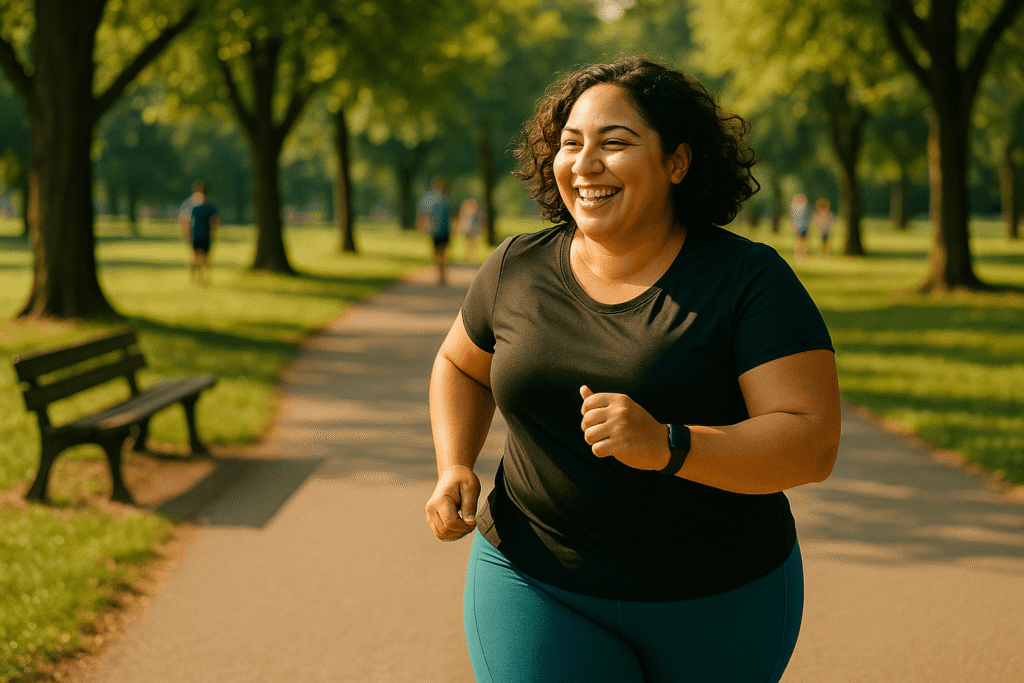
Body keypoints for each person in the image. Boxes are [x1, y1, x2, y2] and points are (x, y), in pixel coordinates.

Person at [425, 56, 841, 683]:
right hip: (535, 582)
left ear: (677, 161)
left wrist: (670, 446)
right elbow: (460, 365)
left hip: (721, 599)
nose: (585, 164)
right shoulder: (516, 267)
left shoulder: (748, 281)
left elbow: (811, 443)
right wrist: (455, 463)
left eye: (614, 143)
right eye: (570, 144)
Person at [178, 181, 219, 285]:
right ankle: (203, 277)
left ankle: (199, 277)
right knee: (203, 257)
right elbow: (215, 222)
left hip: (198, 235)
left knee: (197, 257)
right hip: (204, 236)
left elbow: (186, 220)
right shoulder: (209, 206)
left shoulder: (193, 207)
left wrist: (186, 233)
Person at [417, 177, 452, 285]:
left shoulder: (433, 200)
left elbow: (424, 214)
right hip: (441, 230)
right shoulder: (445, 200)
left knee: (439, 253)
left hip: (438, 230)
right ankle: (442, 273)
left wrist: (422, 226)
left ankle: (441, 273)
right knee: (442, 253)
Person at [789, 192, 811, 261]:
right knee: (801, 240)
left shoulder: (795, 207)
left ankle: (801, 254)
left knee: (800, 240)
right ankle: (801, 254)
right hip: (802, 226)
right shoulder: (803, 207)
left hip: (801, 226)